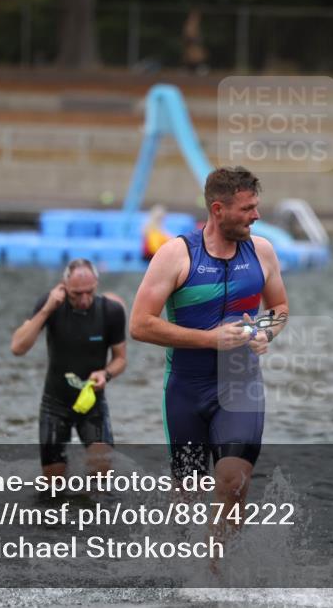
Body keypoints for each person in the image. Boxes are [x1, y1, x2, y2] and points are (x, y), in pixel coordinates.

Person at [130, 166, 288, 537]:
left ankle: (221, 577)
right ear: (218, 210)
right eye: (247, 208)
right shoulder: (176, 255)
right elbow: (139, 324)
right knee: (188, 494)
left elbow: (279, 309)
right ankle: (184, 570)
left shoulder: (262, 251)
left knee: (233, 480)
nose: (257, 216)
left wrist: (267, 332)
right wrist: (210, 339)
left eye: (256, 206)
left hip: (240, 386)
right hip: (186, 388)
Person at [10, 258, 127, 480]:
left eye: (89, 292)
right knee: (53, 484)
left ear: (96, 285)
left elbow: (120, 359)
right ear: (64, 287)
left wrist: (106, 373)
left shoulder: (111, 311)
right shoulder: (50, 305)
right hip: (55, 404)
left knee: (101, 474)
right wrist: (46, 309)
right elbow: (17, 347)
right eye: (76, 294)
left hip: (92, 403)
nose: (84, 299)